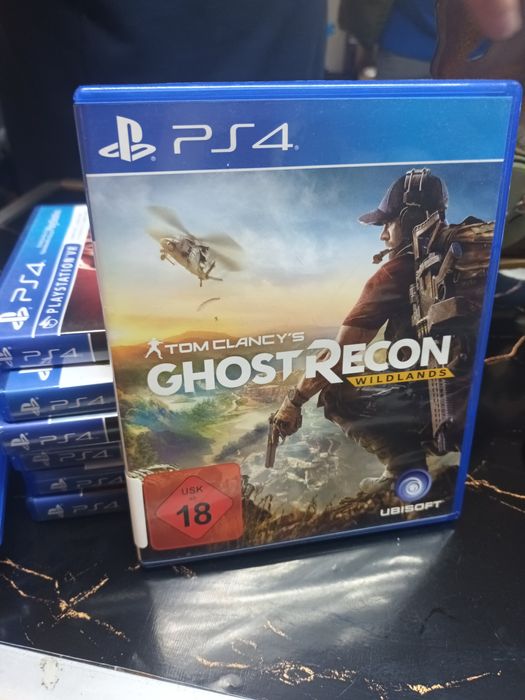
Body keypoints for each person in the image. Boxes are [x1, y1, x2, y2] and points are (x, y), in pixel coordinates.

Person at [270, 169, 469, 494]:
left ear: (410, 219)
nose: (383, 236)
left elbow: (339, 356)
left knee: (336, 392)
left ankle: (403, 470)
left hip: (436, 403)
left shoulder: (396, 271)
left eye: (387, 223)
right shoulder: (468, 256)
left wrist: (293, 401)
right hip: (475, 393)